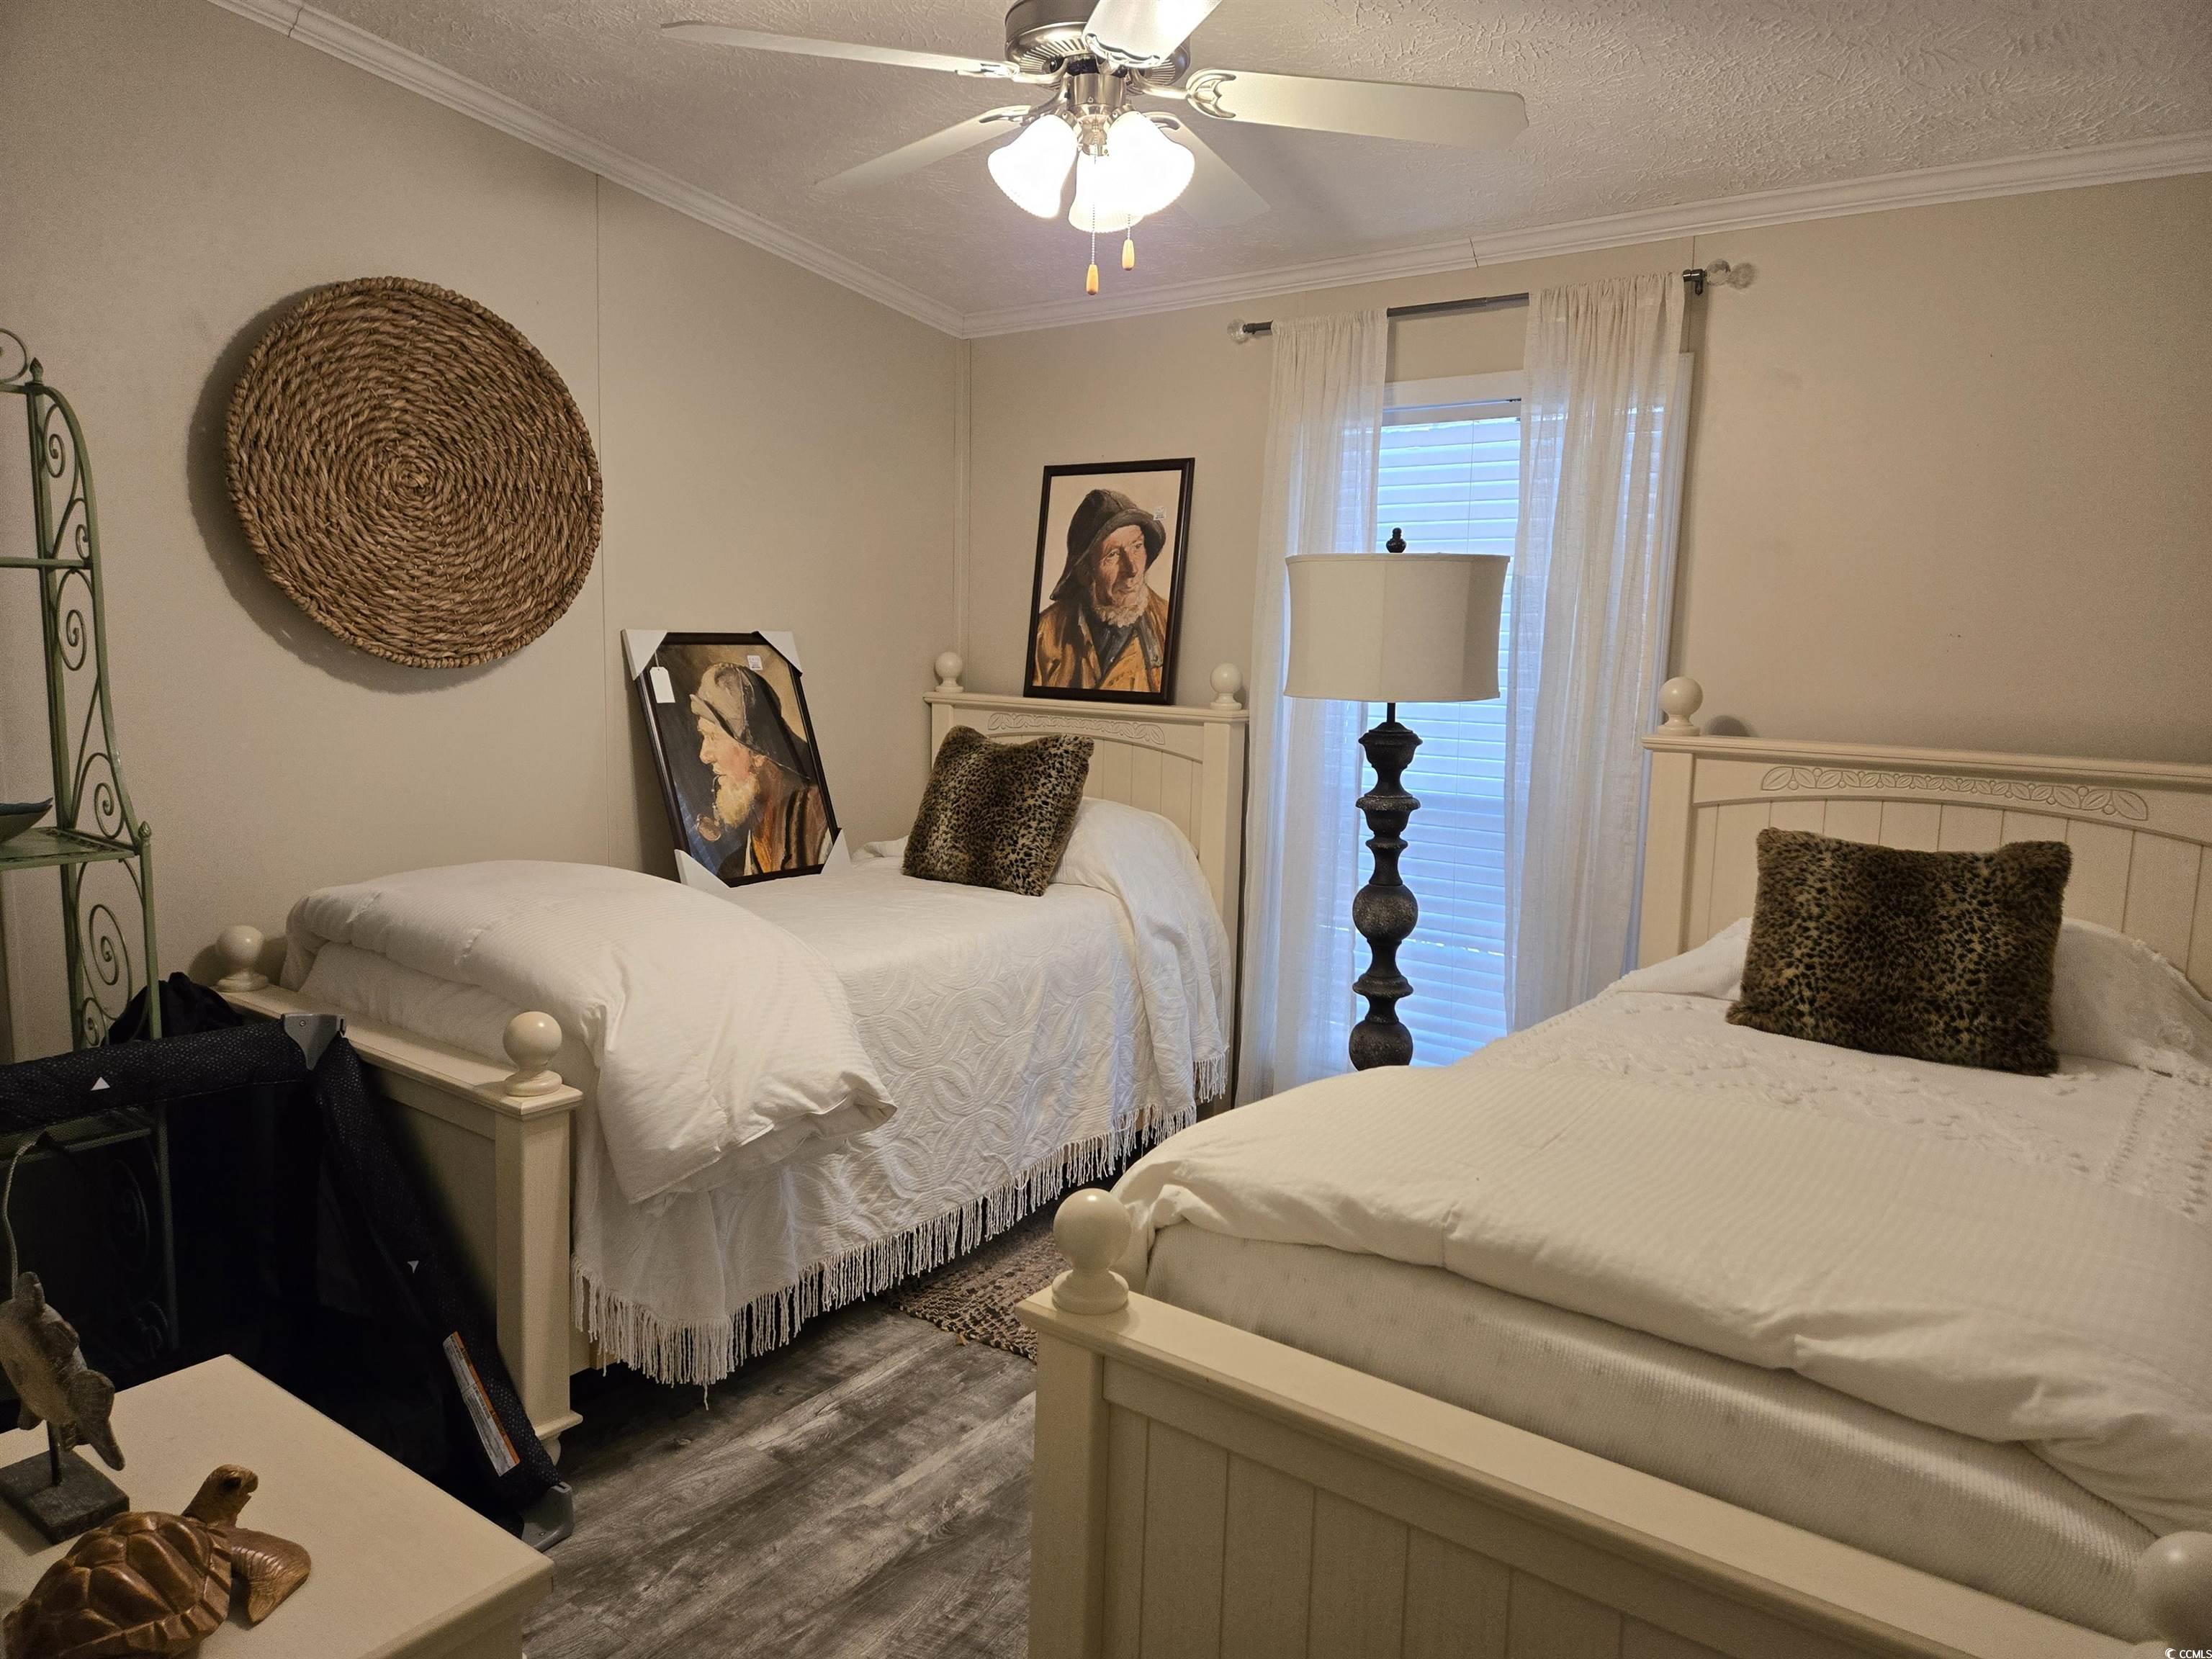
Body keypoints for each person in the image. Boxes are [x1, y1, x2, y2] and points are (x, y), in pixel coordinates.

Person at [688, 662, 832, 881]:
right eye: (703, 736)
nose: (704, 755)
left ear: (757, 752)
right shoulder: (759, 828)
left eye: (713, 737)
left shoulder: (818, 818)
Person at [1031, 487, 1172, 694]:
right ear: (1085, 573)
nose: (1132, 569)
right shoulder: (1045, 634)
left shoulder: (1168, 624)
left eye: (1137, 546)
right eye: (1113, 555)